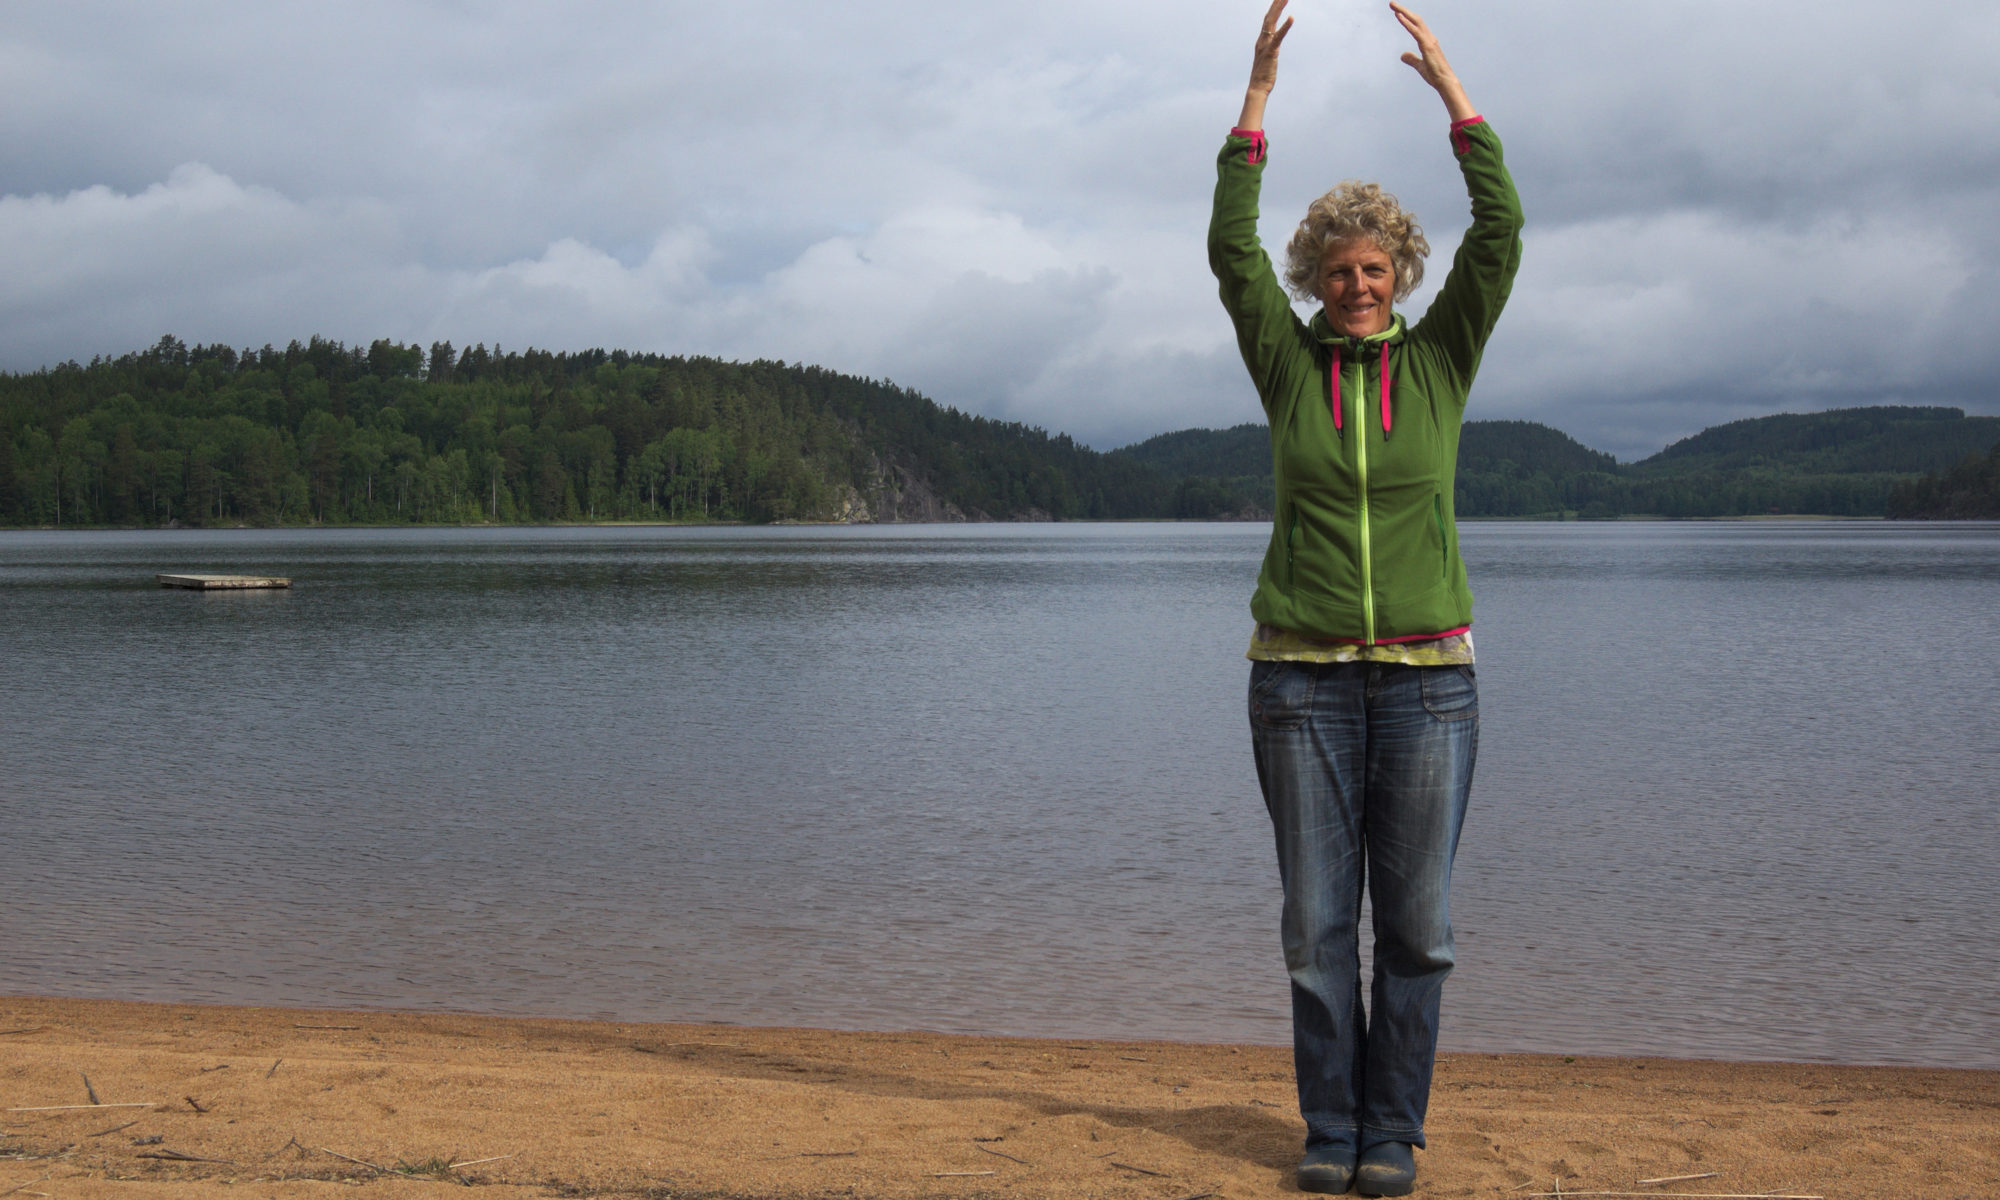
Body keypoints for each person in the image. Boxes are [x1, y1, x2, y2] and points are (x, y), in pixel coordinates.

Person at [1208, 1, 1522, 1194]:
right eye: (1334, 270)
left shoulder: (1438, 359)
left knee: (1421, 932)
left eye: (1371, 268)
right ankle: (1327, 1128)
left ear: (1399, 276)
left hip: (1430, 683)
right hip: (1296, 679)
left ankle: (1392, 1130)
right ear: (1314, 277)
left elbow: (1503, 231)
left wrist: (1455, 96)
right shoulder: (1285, 364)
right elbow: (1228, 252)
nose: (1352, 284)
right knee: (1313, 931)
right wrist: (1254, 103)